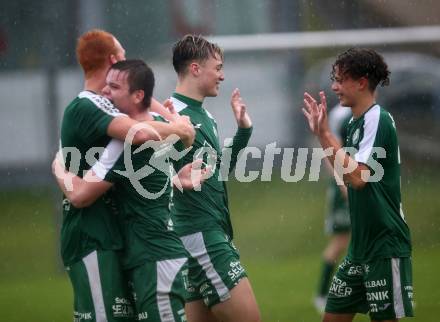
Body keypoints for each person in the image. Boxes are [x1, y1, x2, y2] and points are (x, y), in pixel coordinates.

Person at [54, 59, 209, 322]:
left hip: (154, 257)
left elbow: (79, 195)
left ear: (138, 96)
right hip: (156, 254)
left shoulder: (125, 142)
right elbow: (172, 148)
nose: (104, 92)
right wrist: (173, 178)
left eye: (114, 87)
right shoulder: (159, 124)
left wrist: (59, 166)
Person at [302, 48, 414, 322]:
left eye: (340, 80)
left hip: (384, 245)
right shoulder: (355, 123)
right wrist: (322, 135)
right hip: (360, 248)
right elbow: (346, 172)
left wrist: (326, 134)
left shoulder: (377, 117)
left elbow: (359, 178)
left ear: (362, 82)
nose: (334, 87)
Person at [166, 34, 261, 322]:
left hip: (205, 233)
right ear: (195, 69)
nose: (222, 75)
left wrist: (243, 131)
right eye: (217, 68)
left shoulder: (205, 117)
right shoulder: (169, 114)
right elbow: (136, 169)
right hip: (201, 234)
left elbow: (216, 171)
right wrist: (172, 177)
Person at [314, 105, 351, 313]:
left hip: (362, 182)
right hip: (344, 188)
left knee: (373, 238)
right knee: (340, 242)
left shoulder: (373, 111)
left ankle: (381, 291)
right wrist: (341, 184)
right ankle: (321, 294)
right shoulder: (339, 115)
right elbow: (328, 150)